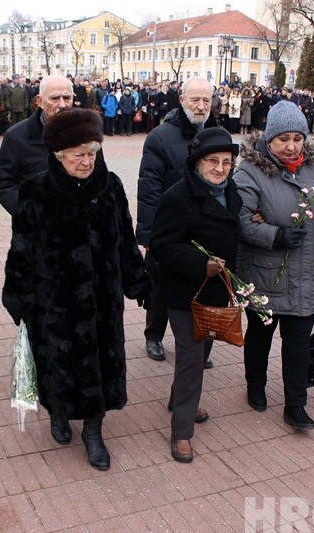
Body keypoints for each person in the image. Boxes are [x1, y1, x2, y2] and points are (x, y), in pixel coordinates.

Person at [2, 109, 150, 470]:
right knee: (57, 363)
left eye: (92, 153)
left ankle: (94, 431)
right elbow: (20, 247)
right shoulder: (35, 191)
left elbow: (126, 241)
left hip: (103, 299)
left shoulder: (111, 186)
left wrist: (137, 279)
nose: (87, 161)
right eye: (78, 154)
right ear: (58, 154)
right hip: (54, 301)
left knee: (103, 362)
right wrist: (18, 295)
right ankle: (58, 413)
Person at [233, 101, 314, 430]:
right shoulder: (249, 170)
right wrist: (276, 236)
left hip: (306, 273)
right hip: (265, 272)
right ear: (268, 139)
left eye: (297, 138)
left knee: (297, 341)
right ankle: (255, 386)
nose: (292, 146)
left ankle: (296, 405)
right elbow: (241, 222)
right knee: (261, 336)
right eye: (283, 139)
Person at [149, 128, 241, 463]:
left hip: (217, 293)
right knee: (190, 359)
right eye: (213, 161)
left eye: (227, 162)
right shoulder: (179, 197)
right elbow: (161, 245)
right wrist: (201, 264)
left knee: (201, 354)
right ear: (198, 162)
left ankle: (178, 399)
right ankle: (182, 431)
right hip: (186, 292)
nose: (220, 168)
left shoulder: (231, 193)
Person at [136, 76, 216, 365]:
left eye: (206, 99)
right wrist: (147, 233)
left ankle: (196, 344)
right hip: (168, 227)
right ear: (182, 100)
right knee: (160, 285)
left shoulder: (216, 134)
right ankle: (153, 335)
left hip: (204, 227)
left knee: (201, 283)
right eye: (195, 99)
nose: (201, 105)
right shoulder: (160, 137)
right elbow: (149, 187)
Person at [0, 74, 74, 217]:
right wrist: (28, 211)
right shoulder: (16, 136)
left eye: (67, 97)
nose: (62, 104)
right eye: (54, 98)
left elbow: (99, 177)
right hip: (36, 231)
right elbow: (1, 181)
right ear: (40, 101)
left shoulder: (87, 132)